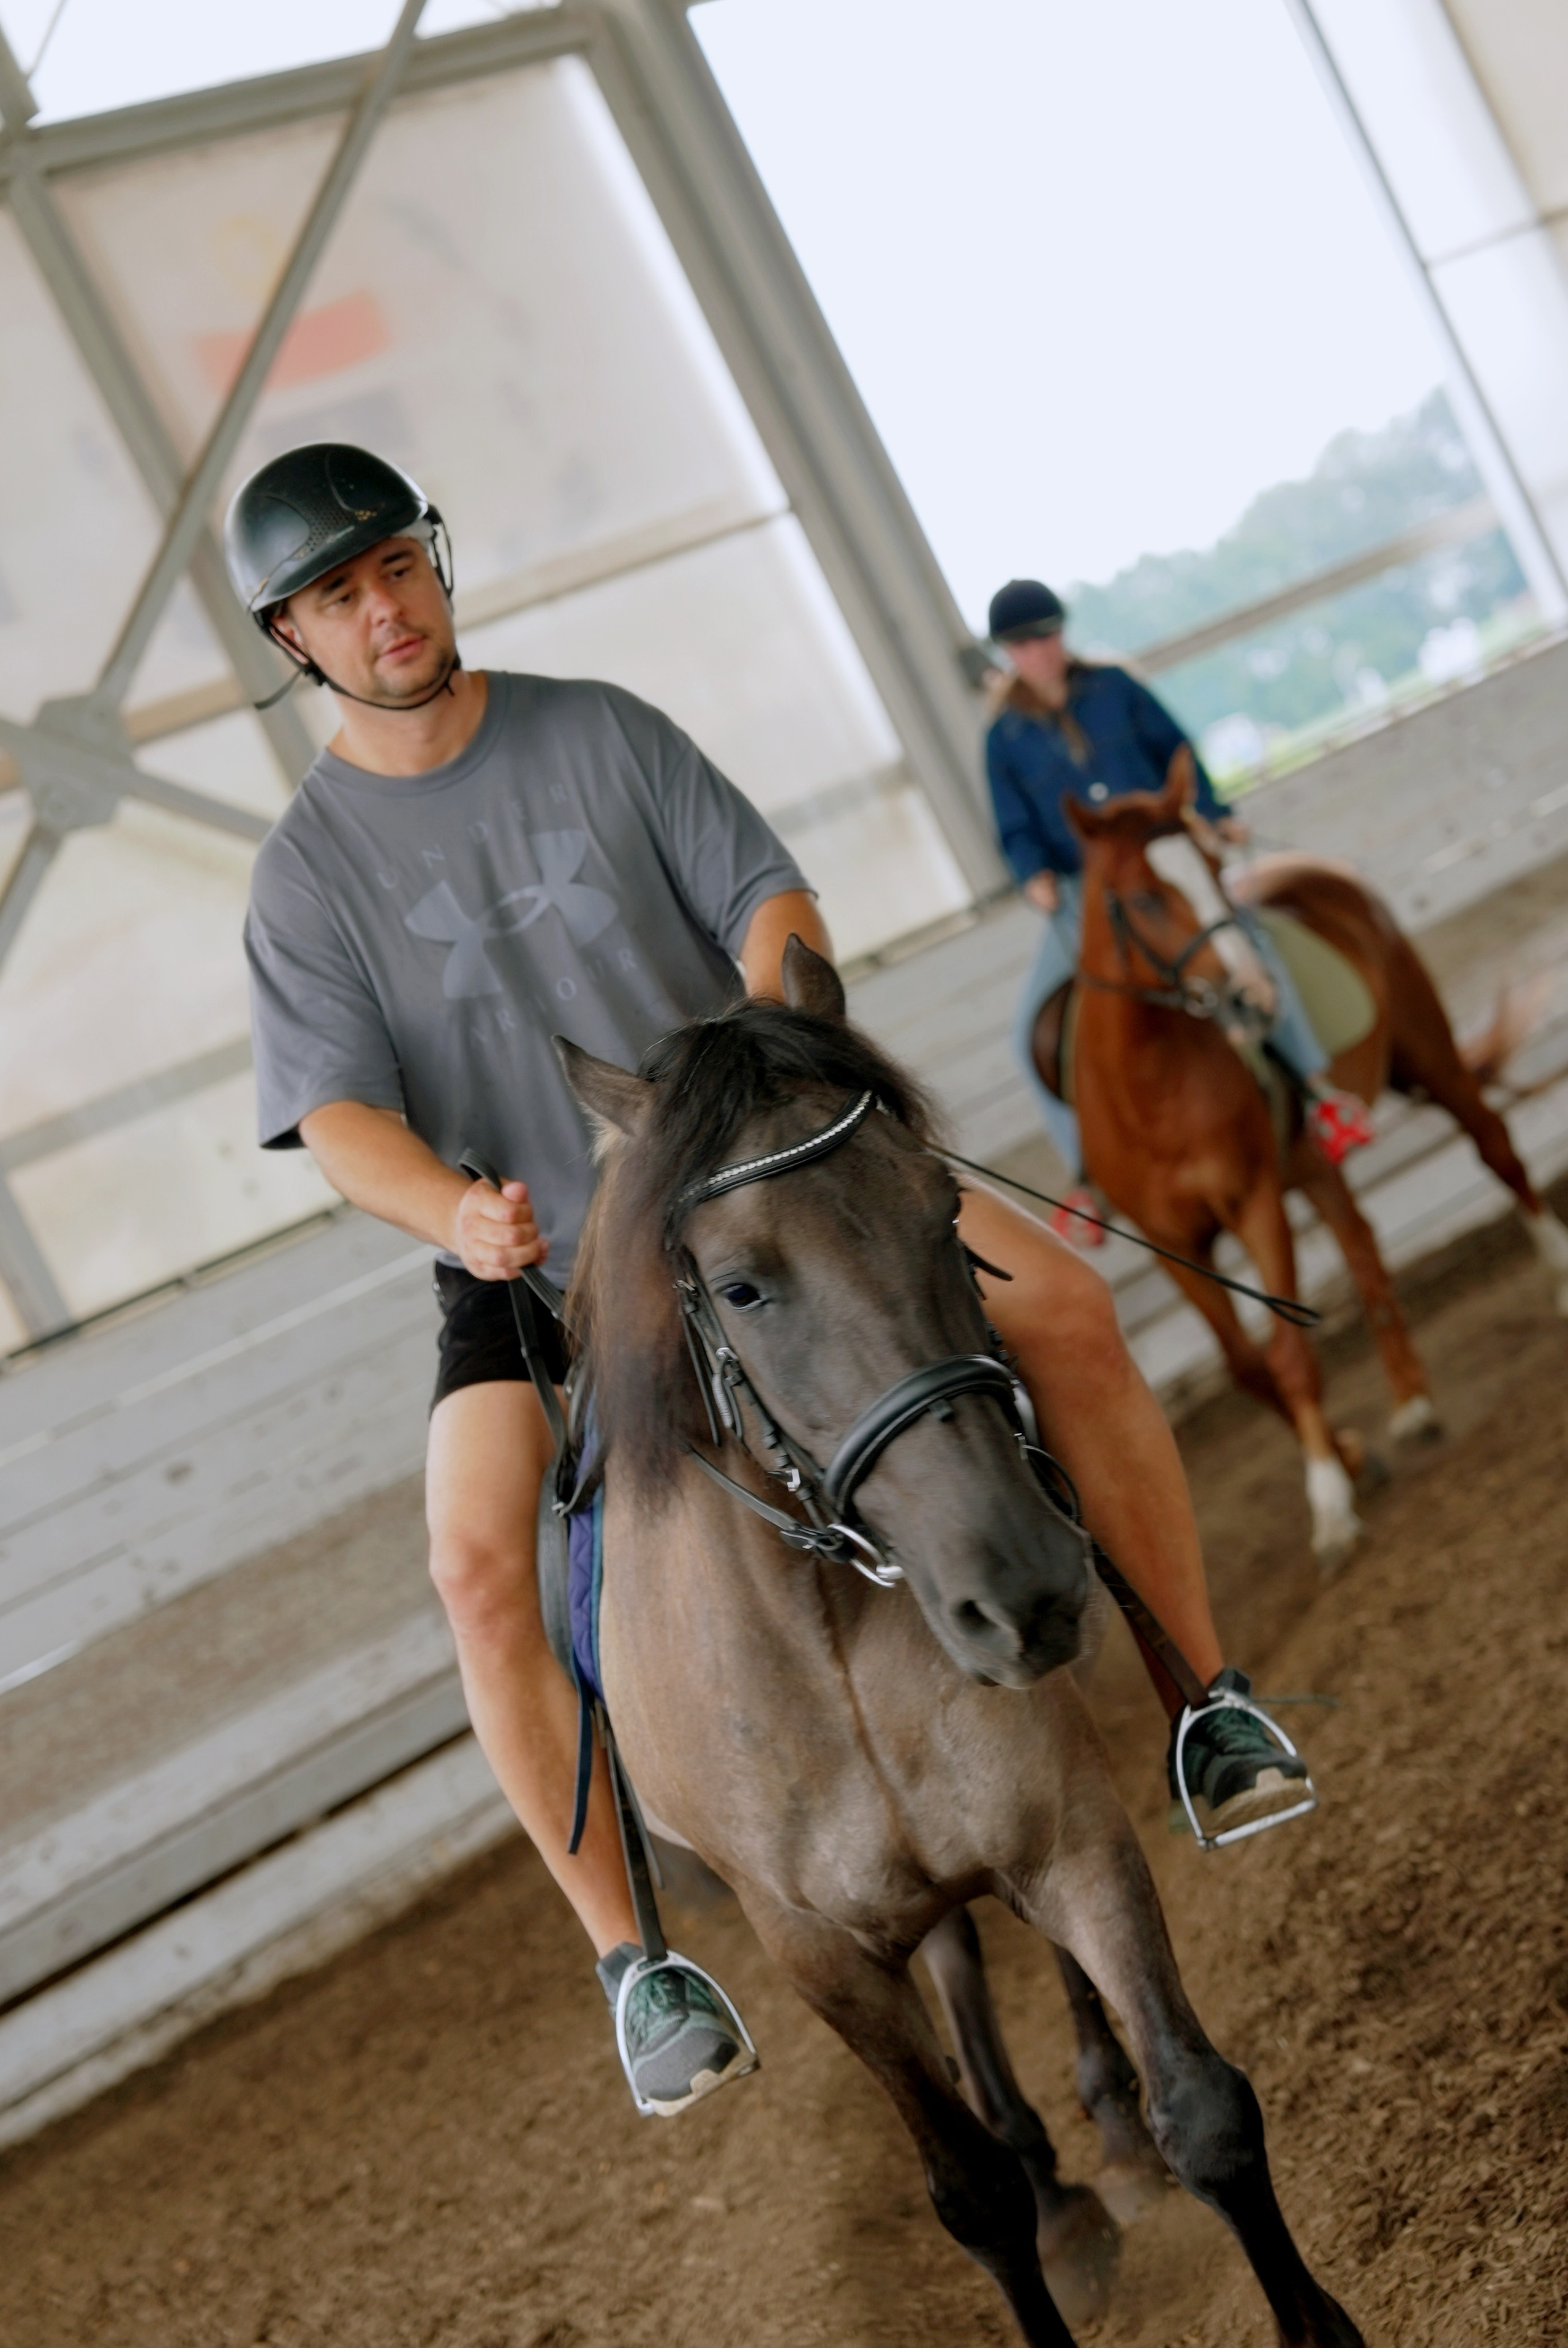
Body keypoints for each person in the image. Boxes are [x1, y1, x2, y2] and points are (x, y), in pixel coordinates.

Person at [230, 448, 1318, 2124]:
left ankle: (1206, 1699)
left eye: (397, 570)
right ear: (296, 638)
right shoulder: (304, 877)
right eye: (339, 596)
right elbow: (337, 1116)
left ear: (434, 567)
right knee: (469, 1562)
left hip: (762, 1181)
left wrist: (766, 1056)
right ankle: (637, 1961)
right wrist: (454, 1211)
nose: (384, 611)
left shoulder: (600, 730)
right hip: (539, 1252)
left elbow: (770, 897)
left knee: (1075, 1317)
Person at [985, 578, 1373, 1237]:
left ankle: (1319, 1093)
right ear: (1007, 652)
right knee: (1033, 1029)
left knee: (1249, 948)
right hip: (1085, 889)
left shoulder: (1115, 689)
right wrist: (1033, 875)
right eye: (1024, 643)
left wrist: (1217, 816)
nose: (1040, 651)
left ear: (1062, 632)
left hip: (1160, 863)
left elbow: (1178, 752)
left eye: (1047, 634)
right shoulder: (1003, 738)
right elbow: (1013, 825)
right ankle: (1087, 1174)